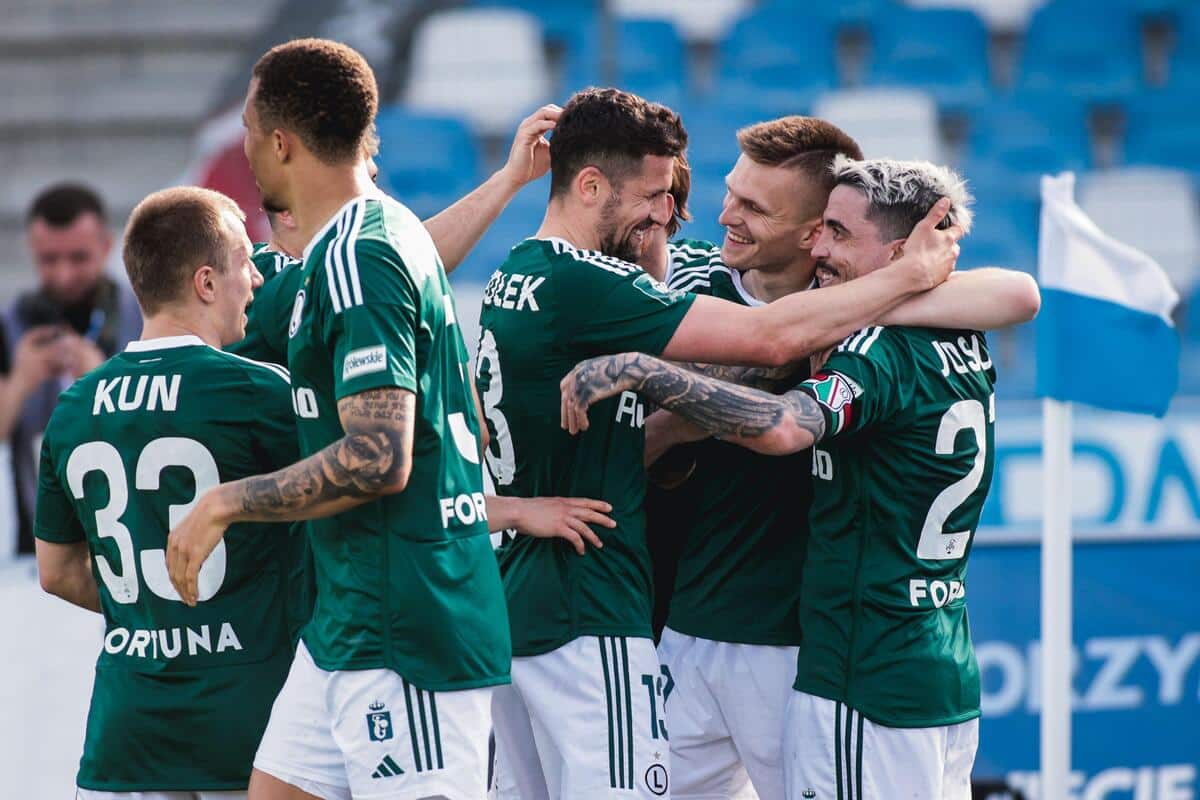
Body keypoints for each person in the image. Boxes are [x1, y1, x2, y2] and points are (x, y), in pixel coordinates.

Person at [479, 87, 963, 800]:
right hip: (639, 618)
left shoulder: (523, 271)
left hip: (786, 644)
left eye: (754, 207)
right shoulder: (663, 280)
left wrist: (906, 282)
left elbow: (1013, 295)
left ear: (815, 233)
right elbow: (763, 346)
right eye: (726, 193)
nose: (711, 214)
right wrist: (701, 409)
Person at [164, 39, 604, 800]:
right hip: (350, 622)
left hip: (408, 632)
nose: (245, 146)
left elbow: (377, 458)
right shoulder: (372, 242)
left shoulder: (360, 255)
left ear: (280, 143)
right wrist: (507, 181)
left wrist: (225, 502)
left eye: (248, 130)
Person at [560, 156, 1010, 800]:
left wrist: (648, 372)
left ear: (902, 251)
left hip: (863, 673)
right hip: (935, 662)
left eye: (839, 233)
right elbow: (1022, 294)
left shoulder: (875, 351)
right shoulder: (966, 334)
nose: (819, 249)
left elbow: (783, 426)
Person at [34, 186, 303, 799]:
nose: (256, 280)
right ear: (206, 282)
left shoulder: (74, 407)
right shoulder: (261, 392)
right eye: (244, 263)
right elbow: (355, 480)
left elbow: (57, 572)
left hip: (127, 733)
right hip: (247, 730)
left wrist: (157, 617)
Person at [3, 184, 141, 553]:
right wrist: (18, 385)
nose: (64, 275)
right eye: (49, 259)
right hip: (34, 549)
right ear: (32, 250)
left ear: (107, 246)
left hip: (129, 538)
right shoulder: (9, 324)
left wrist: (102, 383)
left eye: (79, 258)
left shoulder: (144, 317)